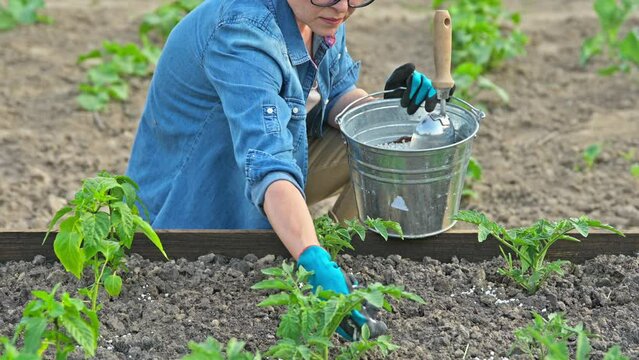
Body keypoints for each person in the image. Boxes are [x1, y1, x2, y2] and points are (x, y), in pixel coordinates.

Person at [126, 0, 445, 340]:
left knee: (379, 144)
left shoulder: (320, 15)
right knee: (290, 256)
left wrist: (388, 111)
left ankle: (337, 269)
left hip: (262, 173)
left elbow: (335, 95)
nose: (343, 7)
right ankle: (314, 263)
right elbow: (268, 162)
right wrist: (312, 259)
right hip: (190, 212)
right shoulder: (243, 33)